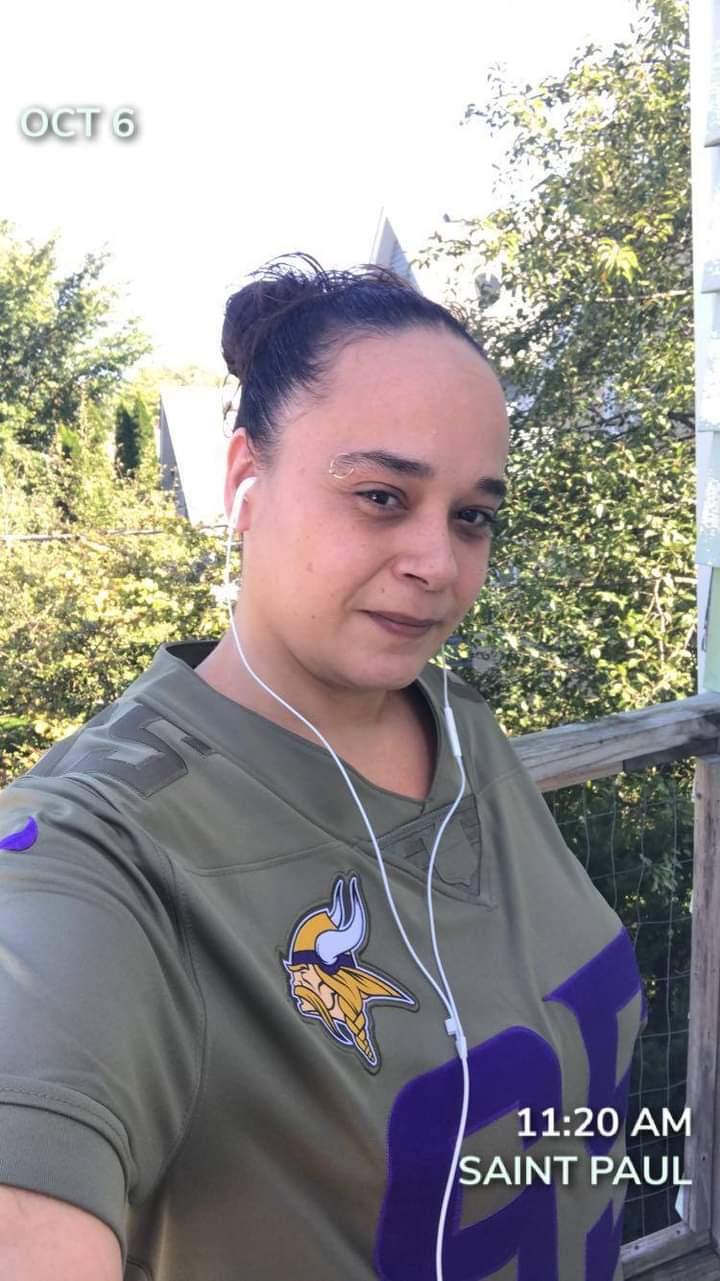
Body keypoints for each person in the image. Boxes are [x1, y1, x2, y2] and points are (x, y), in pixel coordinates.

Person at [0, 253, 645, 1281]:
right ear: (244, 482)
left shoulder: (462, 727)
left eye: (473, 515)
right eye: (382, 496)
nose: (438, 563)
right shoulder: (98, 848)